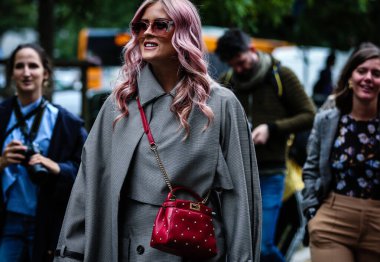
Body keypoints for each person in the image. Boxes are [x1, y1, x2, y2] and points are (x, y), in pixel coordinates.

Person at [54, 0, 262, 261]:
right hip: (130, 250)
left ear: (185, 32)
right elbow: (88, 186)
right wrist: (70, 254)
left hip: (194, 250)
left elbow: (241, 196)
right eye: (141, 25)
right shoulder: (119, 105)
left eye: (160, 25)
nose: (147, 32)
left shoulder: (220, 104)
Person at [215, 28, 315, 262]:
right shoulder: (228, 82)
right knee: (237, 244)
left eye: (241, 62)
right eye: (233, 64)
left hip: (271, 173)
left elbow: (309, 113)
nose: (238, 69)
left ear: (251, 50)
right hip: (236, 175)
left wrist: (272, 129)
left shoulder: (281, 76)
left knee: (263, 245)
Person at [0, 43, 88, 262]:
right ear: (12, 73)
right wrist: (2, 161)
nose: (26, 72)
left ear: (45, 73)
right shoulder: (2, 116)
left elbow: (86, 172)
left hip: (46, 222)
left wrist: (55, 167)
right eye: (20, 66)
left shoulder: (67, 123)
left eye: (33, 66)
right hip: (6, 221)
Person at [302, 44, 380, 261]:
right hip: (333, 219)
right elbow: (311, 169)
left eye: (376, 74)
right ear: (350, 77)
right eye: (362, 71)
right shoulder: (328, 120)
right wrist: (311, 213)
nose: (368, 78)